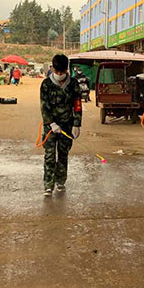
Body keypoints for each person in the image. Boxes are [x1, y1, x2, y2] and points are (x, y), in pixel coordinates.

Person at [40, 54, 82, 197]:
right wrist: (51, 123)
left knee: (63, 155)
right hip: (50, 127)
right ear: (52, 68)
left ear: (66, 69)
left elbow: (77, 105)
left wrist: (77, 124)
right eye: (57, 71)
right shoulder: (46, 84)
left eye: (62, 71)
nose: (59, 74)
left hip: (67, 126)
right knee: (49, 155)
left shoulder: (73, 84)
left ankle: (60, 181)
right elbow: (44, 106)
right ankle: (48, 184)